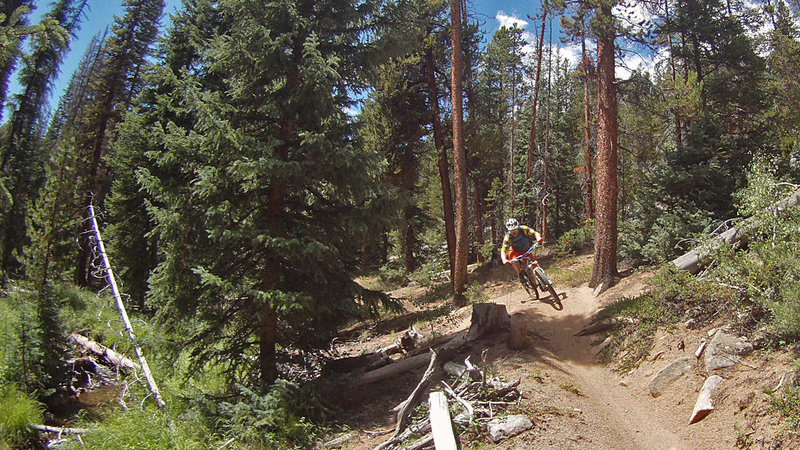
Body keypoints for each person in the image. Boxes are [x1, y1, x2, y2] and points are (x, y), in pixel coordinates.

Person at [500, 218, 543, 282]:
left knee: (535, 265)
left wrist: (538, 238)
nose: (513, 231)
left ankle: (543, 280)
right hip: (515, 251)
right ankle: (520, 274)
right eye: (511, 230)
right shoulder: (508, 237)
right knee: (514, 260)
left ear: (518, 227)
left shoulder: (523, 229)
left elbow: (534, 233)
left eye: (515, 229)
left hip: (526, 250)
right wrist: (504, 259)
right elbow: (503, 250)